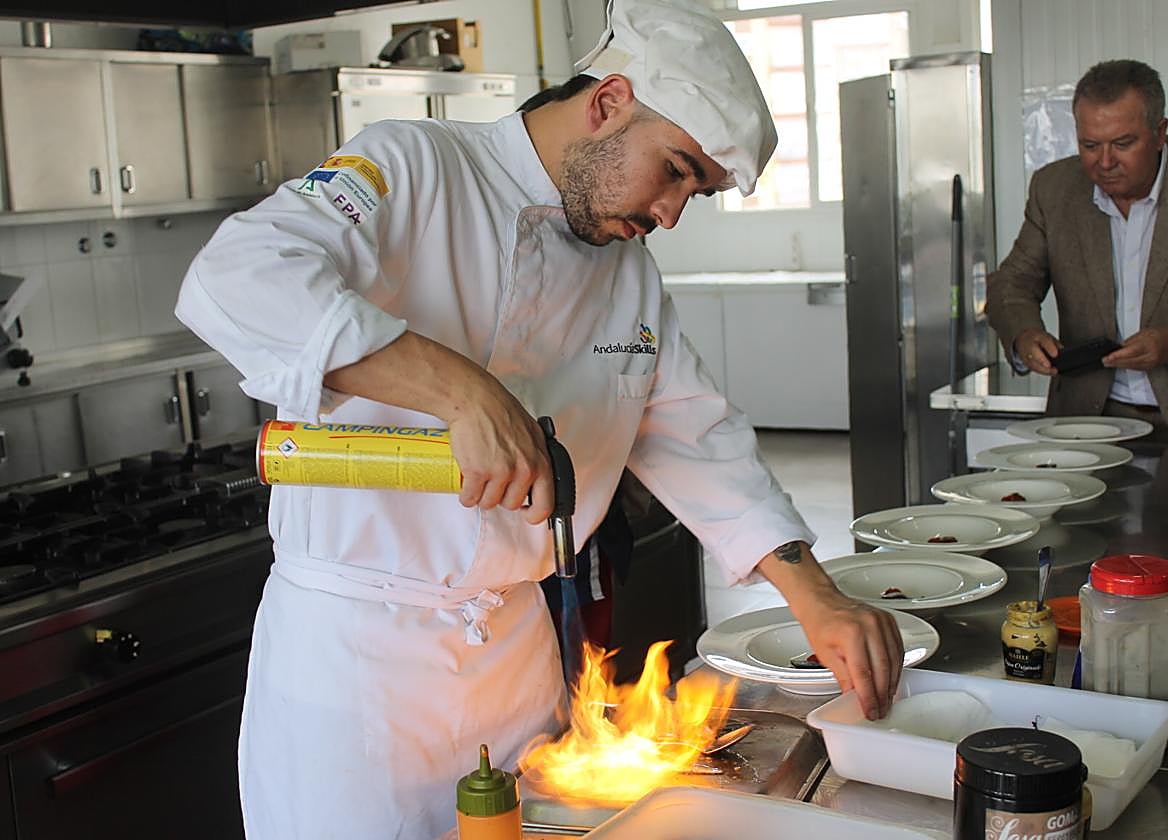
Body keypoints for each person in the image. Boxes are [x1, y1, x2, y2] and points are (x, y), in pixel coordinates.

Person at [175, 1, 902, 837]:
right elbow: (233, 277)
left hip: (515, 665)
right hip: (357, 677)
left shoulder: (627, 276)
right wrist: (463, 394)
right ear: (607, 103)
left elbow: (699, 436)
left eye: (693, 193)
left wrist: (815, 596)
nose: (670, 214)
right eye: (674, 170)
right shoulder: (412, 167)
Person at [986, 59, 1168, 443]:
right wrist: (1024, 333)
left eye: (1123, 143)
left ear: (1160, 132)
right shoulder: (1054, 188)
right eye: (1089, 145)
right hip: (1085, 421)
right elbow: (1012, 282)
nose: (1104, 162)